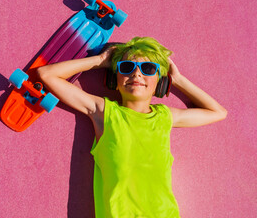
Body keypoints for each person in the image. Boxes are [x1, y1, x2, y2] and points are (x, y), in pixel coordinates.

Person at [36, 37, 227, 217]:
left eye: (148, 68)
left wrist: (177, 79)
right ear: (114, 80)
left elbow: (218, 112)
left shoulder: (165, 117)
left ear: (159, 82)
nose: (136, 73)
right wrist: (100, 60)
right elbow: (47, 74)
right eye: (126, 67)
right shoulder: (105, 112)